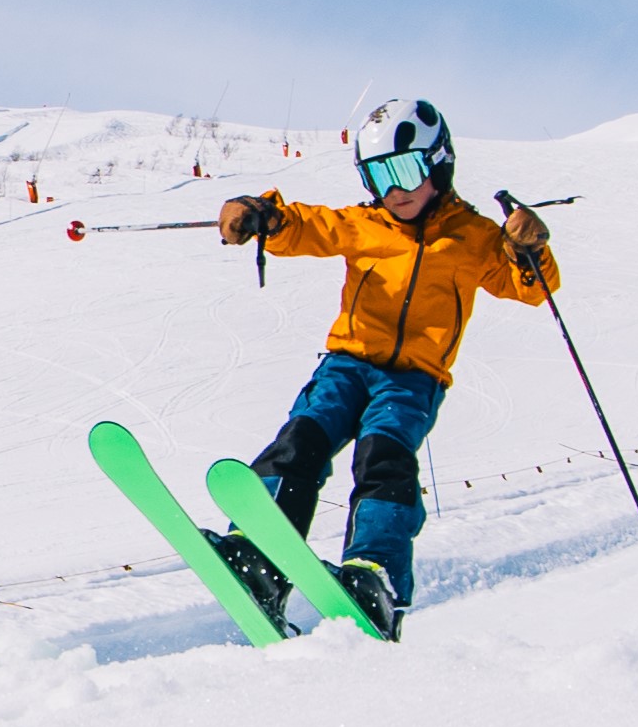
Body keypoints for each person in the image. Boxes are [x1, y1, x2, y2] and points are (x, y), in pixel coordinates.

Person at [213, 97, 556, 636]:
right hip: (347, 364)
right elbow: (308, 227)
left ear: (438, 164)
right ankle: (260, 555)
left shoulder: (474, 237)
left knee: (384, 458)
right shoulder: (365, 224)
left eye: (404, 170)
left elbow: (531, 287)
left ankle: (376, 574)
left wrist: (527, 251)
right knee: (301, 439)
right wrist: (262, 214)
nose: (394, 191)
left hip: (413, 379)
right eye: (379, 176)